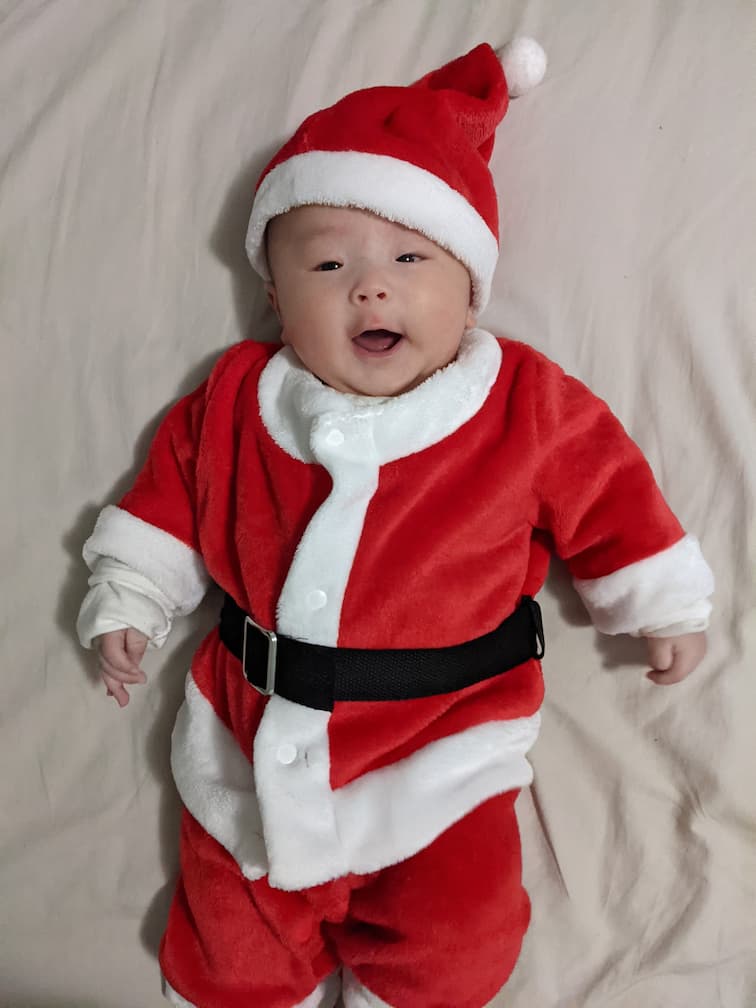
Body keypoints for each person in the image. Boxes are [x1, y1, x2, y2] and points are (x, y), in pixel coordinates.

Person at [77, 39, 713, 1008]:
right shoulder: (240, 398)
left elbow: (612, 497)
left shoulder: (521, 403)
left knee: (456, 935)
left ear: (470, 289)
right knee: (231, 943)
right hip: (247, 747)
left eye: (411, 258)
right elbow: (168, 500)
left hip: (442, 758)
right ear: (275, 300)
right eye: (328, 263)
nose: (370, 286)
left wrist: (660, 600)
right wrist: (130, 596)